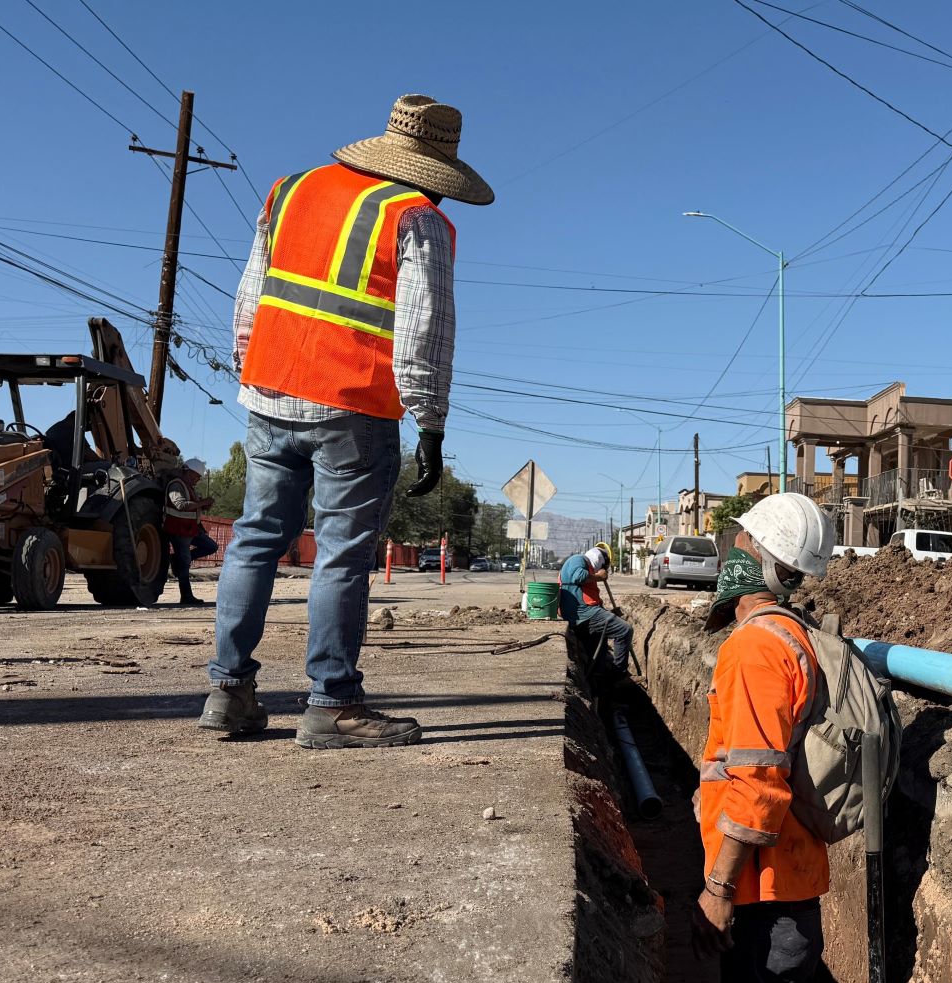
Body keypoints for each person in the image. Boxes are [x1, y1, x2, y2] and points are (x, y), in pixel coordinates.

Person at [199, 94, 493, 749]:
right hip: (353, 406)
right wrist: (431, 423)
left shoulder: (291, 190)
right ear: (433, 172)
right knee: (341, 558)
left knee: (253, 541)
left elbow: (251, 293)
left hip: (270, 395)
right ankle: (332, 705)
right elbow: (425, 334)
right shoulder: (415, 218)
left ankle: (229, 692)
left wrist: (254, 368)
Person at [689, 492, 838, 983]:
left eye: (741, 541)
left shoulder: (754, 648)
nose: (731, 550)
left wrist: (719, 888)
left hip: (763, 896)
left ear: (760, 558)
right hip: (787, 885)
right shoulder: (792, 636)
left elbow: (756, 785)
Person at [558, 542, 631, 679]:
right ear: (600, 561)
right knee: (624, 630)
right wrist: (599, 576)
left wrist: (607, 612)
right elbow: (578, 576)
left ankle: (598, 677)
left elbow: (588, 597)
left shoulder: (587, 567)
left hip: (583, 612)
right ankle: (619, 675)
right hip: (582, 613)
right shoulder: (578, 559)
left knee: (599, 642)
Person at [164, 457, 219, 605]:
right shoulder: (176, 485)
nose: (197, 480)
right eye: (196, 477)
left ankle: (175, 559)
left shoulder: (187, 486)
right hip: (179, 529)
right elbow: (180, 505)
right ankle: (186, 596)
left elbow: (191, 506)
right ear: (187, 472)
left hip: (190, 529)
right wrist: (202, 503)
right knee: (185, 562)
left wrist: (202, 505)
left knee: (211, 546)